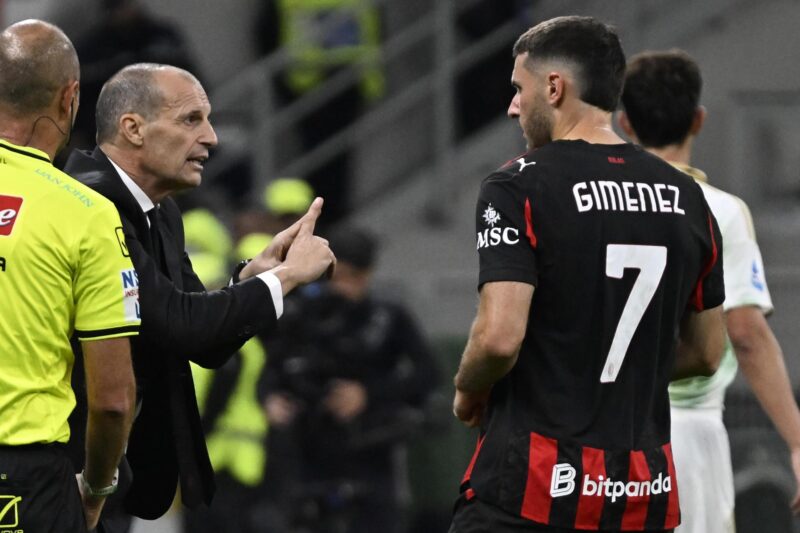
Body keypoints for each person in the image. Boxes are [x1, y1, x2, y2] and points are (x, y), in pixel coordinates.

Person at [449, 16, 727, 533]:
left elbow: (498, 338)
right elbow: (709, 353)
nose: (512, 105)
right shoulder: (688, 197)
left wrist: (468, 387)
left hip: (531, 491)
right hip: (641, 496)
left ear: (554, 87)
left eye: (518, 88)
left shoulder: (517, 186)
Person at [62, 63, 336, 530]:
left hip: (113, 470)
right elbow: (180, 324)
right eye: (191, 120)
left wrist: (253, 275)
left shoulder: (161, 213)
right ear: (133, 128)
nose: (210, 138)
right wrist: (287, 278)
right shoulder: (90, 204)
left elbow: (198, 338)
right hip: (64, 466)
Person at [618, 49, 800, 533]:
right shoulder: (719, 210)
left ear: (624, 123)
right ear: (698, 120)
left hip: (599, 431)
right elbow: (744, 331)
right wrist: (799, 442)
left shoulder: (596, 206)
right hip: (688, 433)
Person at [0, 20, 138, 531]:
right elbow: (112, 401)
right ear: (70, 98)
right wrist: (97, 488)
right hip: (23, 482)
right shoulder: (86, 215)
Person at [262, 226, 441, 533]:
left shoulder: (387, 318)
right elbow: (273, 370)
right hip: (308, 455)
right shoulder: (302, 316)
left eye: (354, 277)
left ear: (367, 275)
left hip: (369, 456)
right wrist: (269, 399)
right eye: (338, 276)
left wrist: (367, 394)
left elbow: (427, 373)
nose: (344, 286)